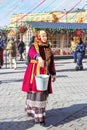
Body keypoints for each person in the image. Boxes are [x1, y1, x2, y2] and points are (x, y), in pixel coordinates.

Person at [22, 30, 56, 126]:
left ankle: (40, 117)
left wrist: (53, 73)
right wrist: (38, 57)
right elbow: (31, 53)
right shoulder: (34, 45)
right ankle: (34, 113)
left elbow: (51, 61)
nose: (45, 37)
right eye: (43, 36)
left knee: (42, 94)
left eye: (46, 36)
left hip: (45, 72)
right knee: (34, 93)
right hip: (34, 72)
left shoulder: (48, 47)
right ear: (39, 37)